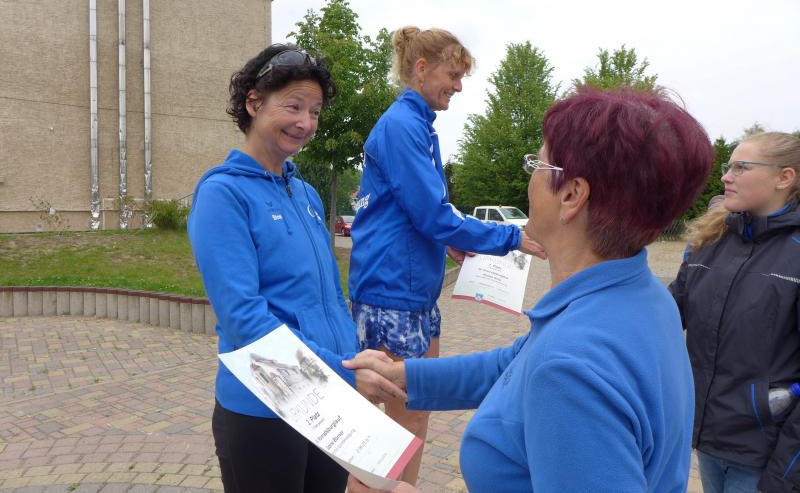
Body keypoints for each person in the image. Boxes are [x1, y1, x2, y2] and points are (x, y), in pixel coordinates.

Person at [345, 87, 713, 493]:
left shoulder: (570, 370)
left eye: (538, 163)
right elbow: (512, 366)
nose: (530, 176)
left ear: (571, 195)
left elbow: (552, 370)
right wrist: (403, 376)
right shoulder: (644, 298)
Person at [187, 44, 405, 493]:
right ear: (254, 103)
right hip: (263, 409)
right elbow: (244, 320)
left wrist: (355, 357)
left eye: (315, 111)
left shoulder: (305, 194)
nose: (306, 122)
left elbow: (330, 297)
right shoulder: (223, 195)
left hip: (327, 403)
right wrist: (344, 370)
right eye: (293, 106)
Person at [347, 26, 543, 484]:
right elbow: (433, 215)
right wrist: (511, 238)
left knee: (414, 416)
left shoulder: (417, 125)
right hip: (392, 295)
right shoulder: (402, 126)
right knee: (389, 429)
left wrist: (444, 240)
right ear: (422, 68)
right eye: (453, 75)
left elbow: (414, 213)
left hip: (411, 294)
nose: (458, 86)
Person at [669, 132, 800, 493]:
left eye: (741, 167)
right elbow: (666, 315)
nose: (726, 176)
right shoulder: (709, 240)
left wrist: (785, 474)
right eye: (728, 167)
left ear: (784, 177)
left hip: (766, 457)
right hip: (706, 442)